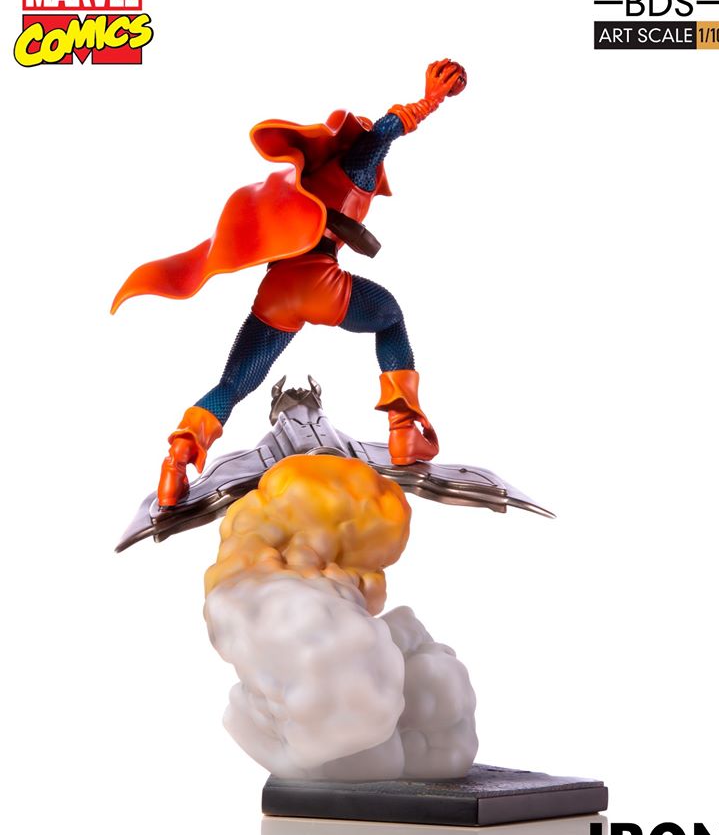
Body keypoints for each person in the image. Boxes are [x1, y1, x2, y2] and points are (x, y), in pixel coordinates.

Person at [111, 59, 467, 506]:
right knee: (389, 317)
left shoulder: (298, 187)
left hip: (276, 294)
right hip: (319, 281)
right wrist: (431, 100)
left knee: (233, 384)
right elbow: (382, 133)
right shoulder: (351, 172)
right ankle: (403, 431)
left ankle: (177, 459)